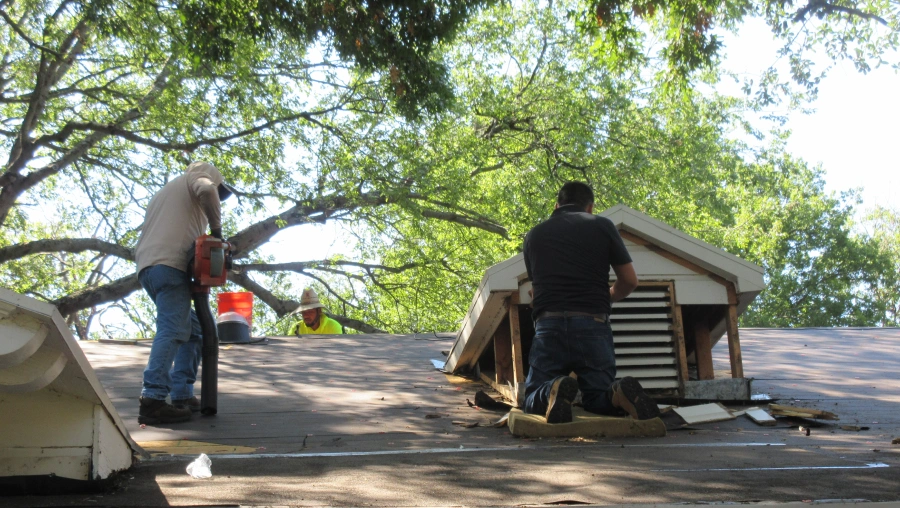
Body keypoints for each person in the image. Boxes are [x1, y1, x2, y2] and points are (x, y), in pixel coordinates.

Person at [522, 181, 660, 424]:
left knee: (532, 398)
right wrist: (604, 298)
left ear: (556, 205)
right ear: (590, 207)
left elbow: (536, 292)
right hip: (593, 324)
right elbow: (629, 281)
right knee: (597, 397)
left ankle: (552, 389)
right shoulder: (602, 226)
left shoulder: (534, 235)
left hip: (549, 325)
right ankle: (618, 394)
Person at [134, 161, 234, 425]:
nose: (218, 195)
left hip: (149, 269)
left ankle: (182, 394)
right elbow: (207, 190)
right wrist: (217, 234)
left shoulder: (167, 194)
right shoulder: (196, 179)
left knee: (195, 331)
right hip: (169, 266)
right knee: (174, 328)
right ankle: (153, 399)